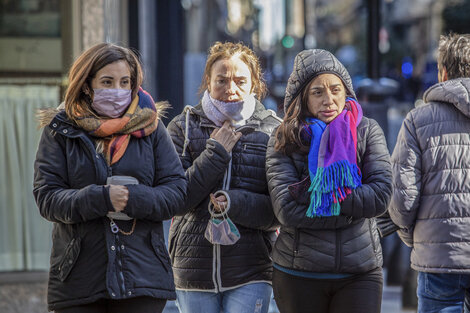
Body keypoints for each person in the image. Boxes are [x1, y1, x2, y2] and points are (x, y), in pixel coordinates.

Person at [33, 43, 187, 313]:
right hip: (79, 278)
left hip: (142, 277)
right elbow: (47, 198)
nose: (117, 90)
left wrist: (131, 198)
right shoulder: (59, 130)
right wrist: (101, 198)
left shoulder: (151, 128)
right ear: (86, 85)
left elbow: (176, 193)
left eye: (125, 82)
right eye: (107, 82)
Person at [265, 49, 392, 313]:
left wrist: (316, 194)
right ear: (302, 98)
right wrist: (351, 210)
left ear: (346, 92)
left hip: (360, 273)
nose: (329, 99)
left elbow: (380, 196)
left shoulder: (367, 131)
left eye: (335, 89)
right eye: (317, 92)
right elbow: (286, 210)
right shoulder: (284, 137)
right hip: (299, 273)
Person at [167, 41, 281, 313]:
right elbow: (174, 199)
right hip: (193, 270)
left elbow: (278, 211)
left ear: (254, 84)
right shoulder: (182, 127)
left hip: (252, 269)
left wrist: (234, 203)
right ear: (208, 80)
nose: (231, 90)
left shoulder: (273, 131)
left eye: (240, 81)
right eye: (222, 80)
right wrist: (216, 154)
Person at [389, 33, 470, 313]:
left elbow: (402, 200)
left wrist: (418, 238)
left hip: (438, 259)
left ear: (443, 72)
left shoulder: (417, 120)